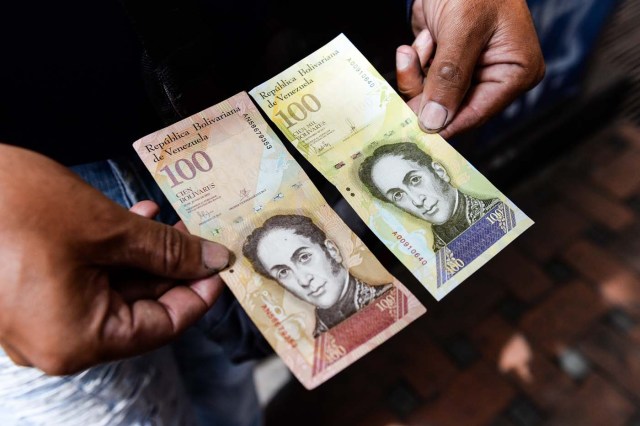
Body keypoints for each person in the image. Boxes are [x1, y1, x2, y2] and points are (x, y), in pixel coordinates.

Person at [0, 0, 544, 423]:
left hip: (244, 86)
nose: (299, 277)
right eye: (284, 270)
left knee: (227, 386)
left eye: (297, 259)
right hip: (33, 196)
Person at [243, 215, 392, 337]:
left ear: (332, 250)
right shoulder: (317, 338)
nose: (303, 280)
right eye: (283, 272)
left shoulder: (389, 295)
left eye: (304, 257)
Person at [359, 142, 499, 251]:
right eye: (398, 195)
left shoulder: (500, 211)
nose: (417, 201)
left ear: (439, 171)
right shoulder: (438, 255)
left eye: (415, 180)